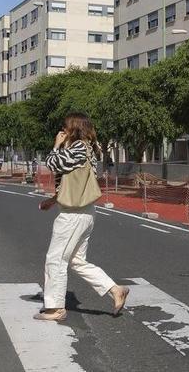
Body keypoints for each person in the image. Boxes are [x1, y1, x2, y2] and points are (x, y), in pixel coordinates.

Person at [34, 112, 129, 321]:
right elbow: (75, 181)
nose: (62, 131)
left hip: (73, 215)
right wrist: (54, 199)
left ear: (74, 128)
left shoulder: (77, 147)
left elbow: (53, 164)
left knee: (56, 259)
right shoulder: (86, 149)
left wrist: (56, 146)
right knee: (76, 260)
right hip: (84, 212)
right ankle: (115, 289)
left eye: (65, 127)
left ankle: (55, 308)